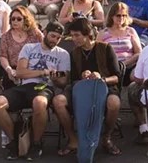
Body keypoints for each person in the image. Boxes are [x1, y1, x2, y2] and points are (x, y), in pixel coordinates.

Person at [0, 21, 70, 160]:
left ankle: (36, 143)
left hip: (46, 88)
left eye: (58, 38)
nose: (55, 40)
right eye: (52, 36)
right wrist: (43, 72)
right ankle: (14, 141)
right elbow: (20, 72)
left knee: (39, 102)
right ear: (44, 33)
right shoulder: (29, 48)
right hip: (25, 86)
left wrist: (55, 77)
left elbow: (63, 81)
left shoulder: (63, 54)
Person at [53, 18, 123, 156]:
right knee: (58, 101)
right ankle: (73, 139)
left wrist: (101, 78)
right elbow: (72, 80)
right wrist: (81, 77)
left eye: (77, 35)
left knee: (114, 102)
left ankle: (106, 137)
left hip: (104, 87)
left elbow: (117, 77)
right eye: (72, 35)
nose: (74, 39)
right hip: (80, 90)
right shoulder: (75, 53)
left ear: (87, 34)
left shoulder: (105, 48)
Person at [99, 2, 142, 85]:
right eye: (118, 15)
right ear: (112, 16)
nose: (121, 18)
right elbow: (98, 53)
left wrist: (124, 64)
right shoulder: (103, 33)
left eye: (124, 15)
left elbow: (139, 52)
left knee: (137, 75)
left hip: (129, 66)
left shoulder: (131, 31)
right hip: (110, 68)